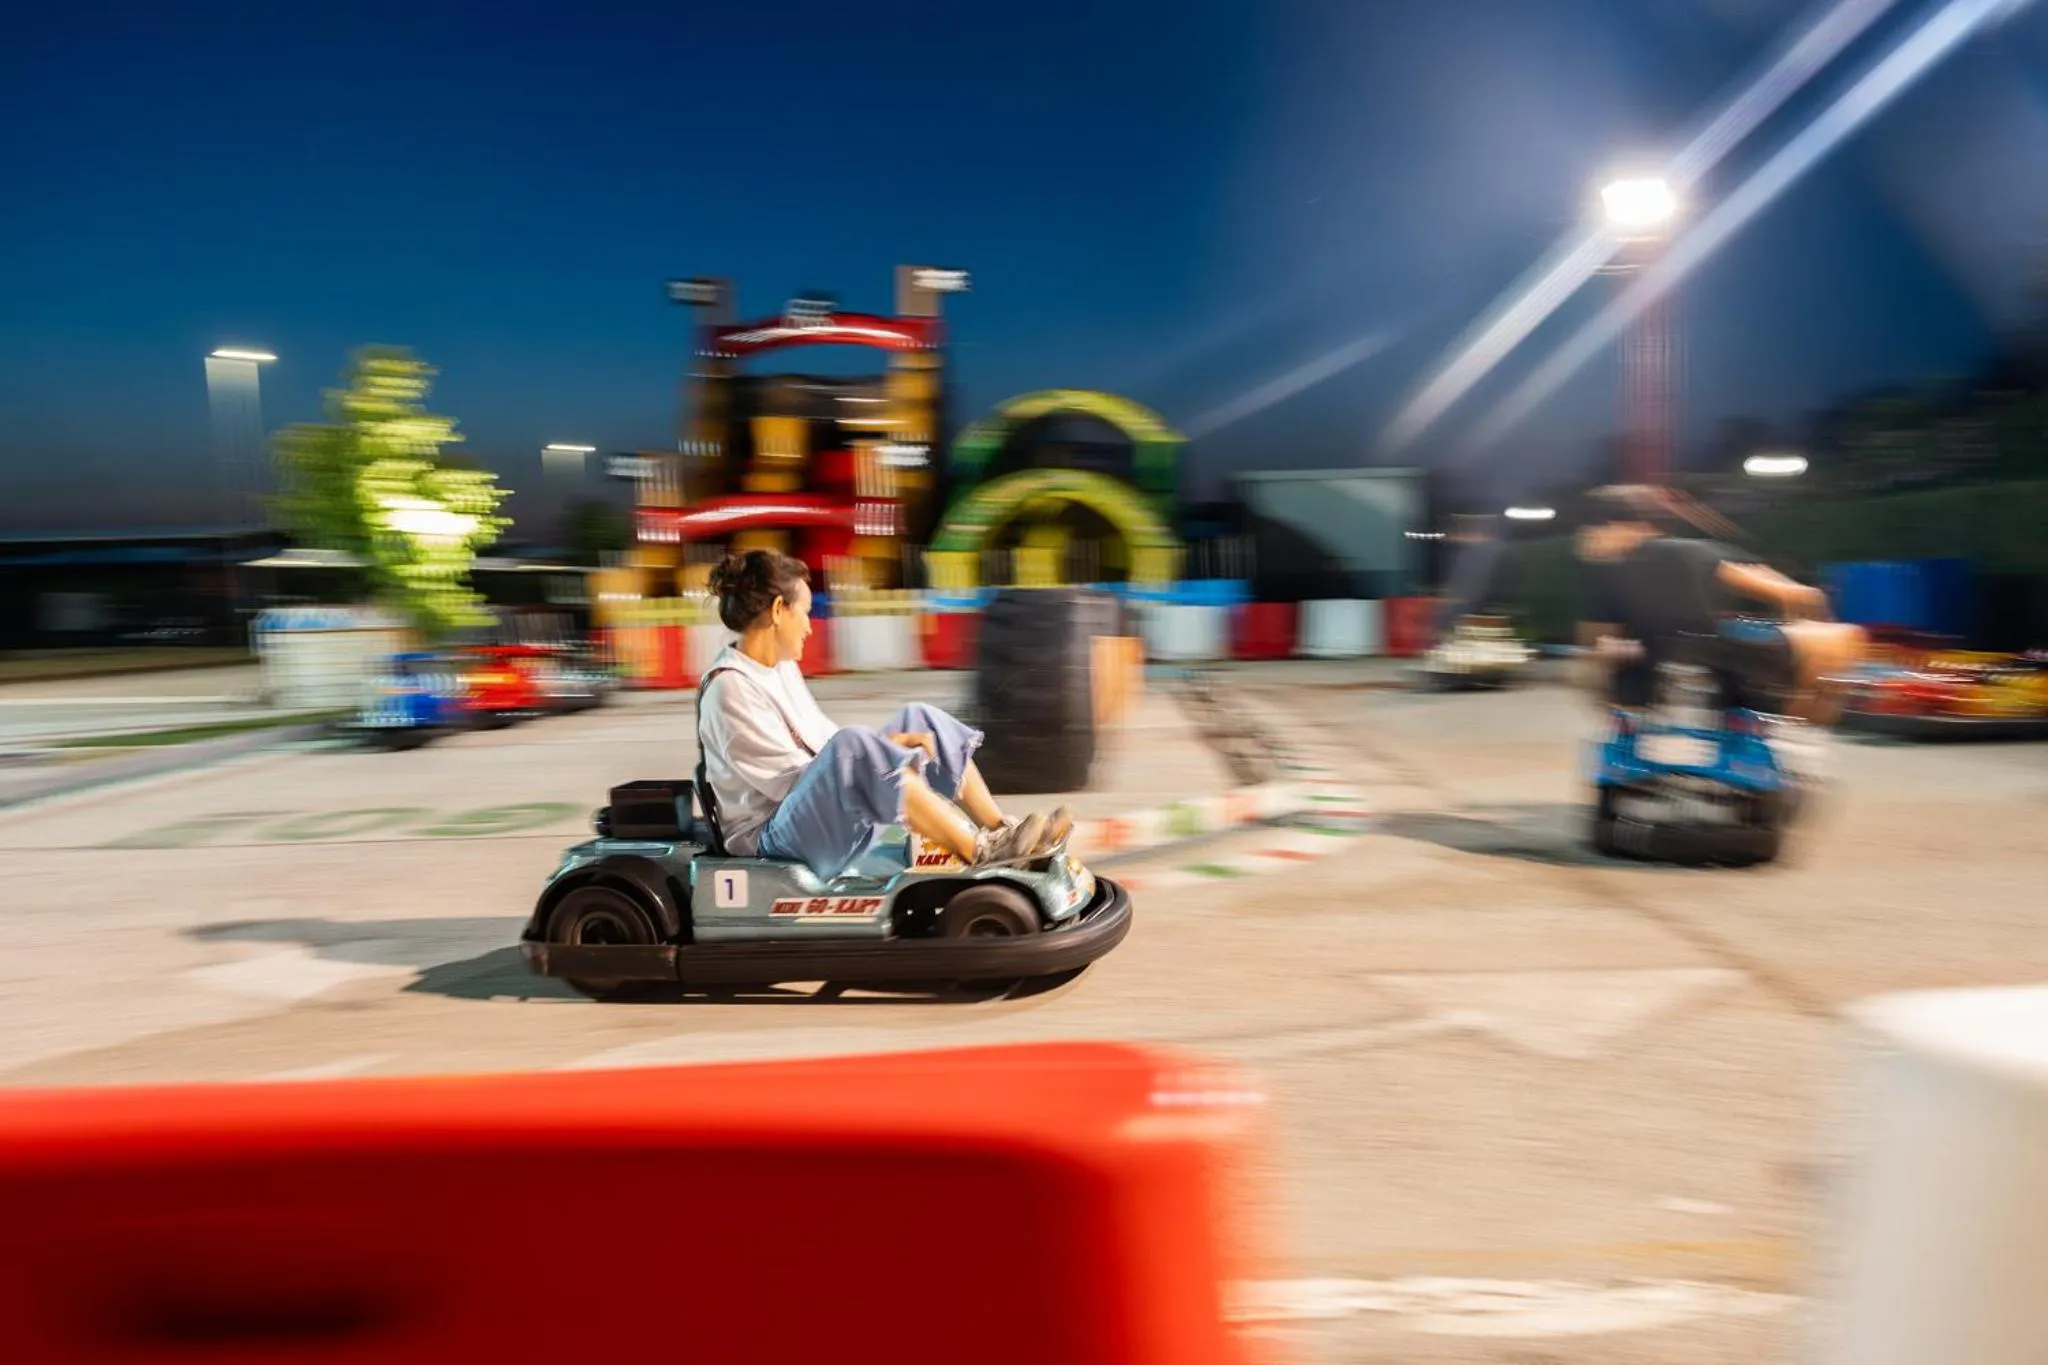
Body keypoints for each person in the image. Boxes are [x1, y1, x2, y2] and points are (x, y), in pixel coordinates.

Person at [696, 549, 1072, 880]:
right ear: (779, 610)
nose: (810, 627)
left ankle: (1003, 833)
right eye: (806, 613)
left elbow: (823, 750)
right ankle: (981, 853)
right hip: (772, 837)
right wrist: (883, 757)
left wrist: (885, 751)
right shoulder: (730, 688)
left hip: (806, 811)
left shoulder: (779, 668)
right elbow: (789, 783)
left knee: (920, 719)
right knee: (856, 745)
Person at [1575, 484, 1864, 725]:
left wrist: (1604, 691)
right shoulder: (1691, 551)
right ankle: (1796, 736)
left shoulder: (1605, 574)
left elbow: (1597, 648)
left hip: (1645, 682)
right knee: (1837, 638)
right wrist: (1804, 618)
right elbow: (1798, 596)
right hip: (1722, 672)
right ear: (1645, 524)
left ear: (1609, 526)